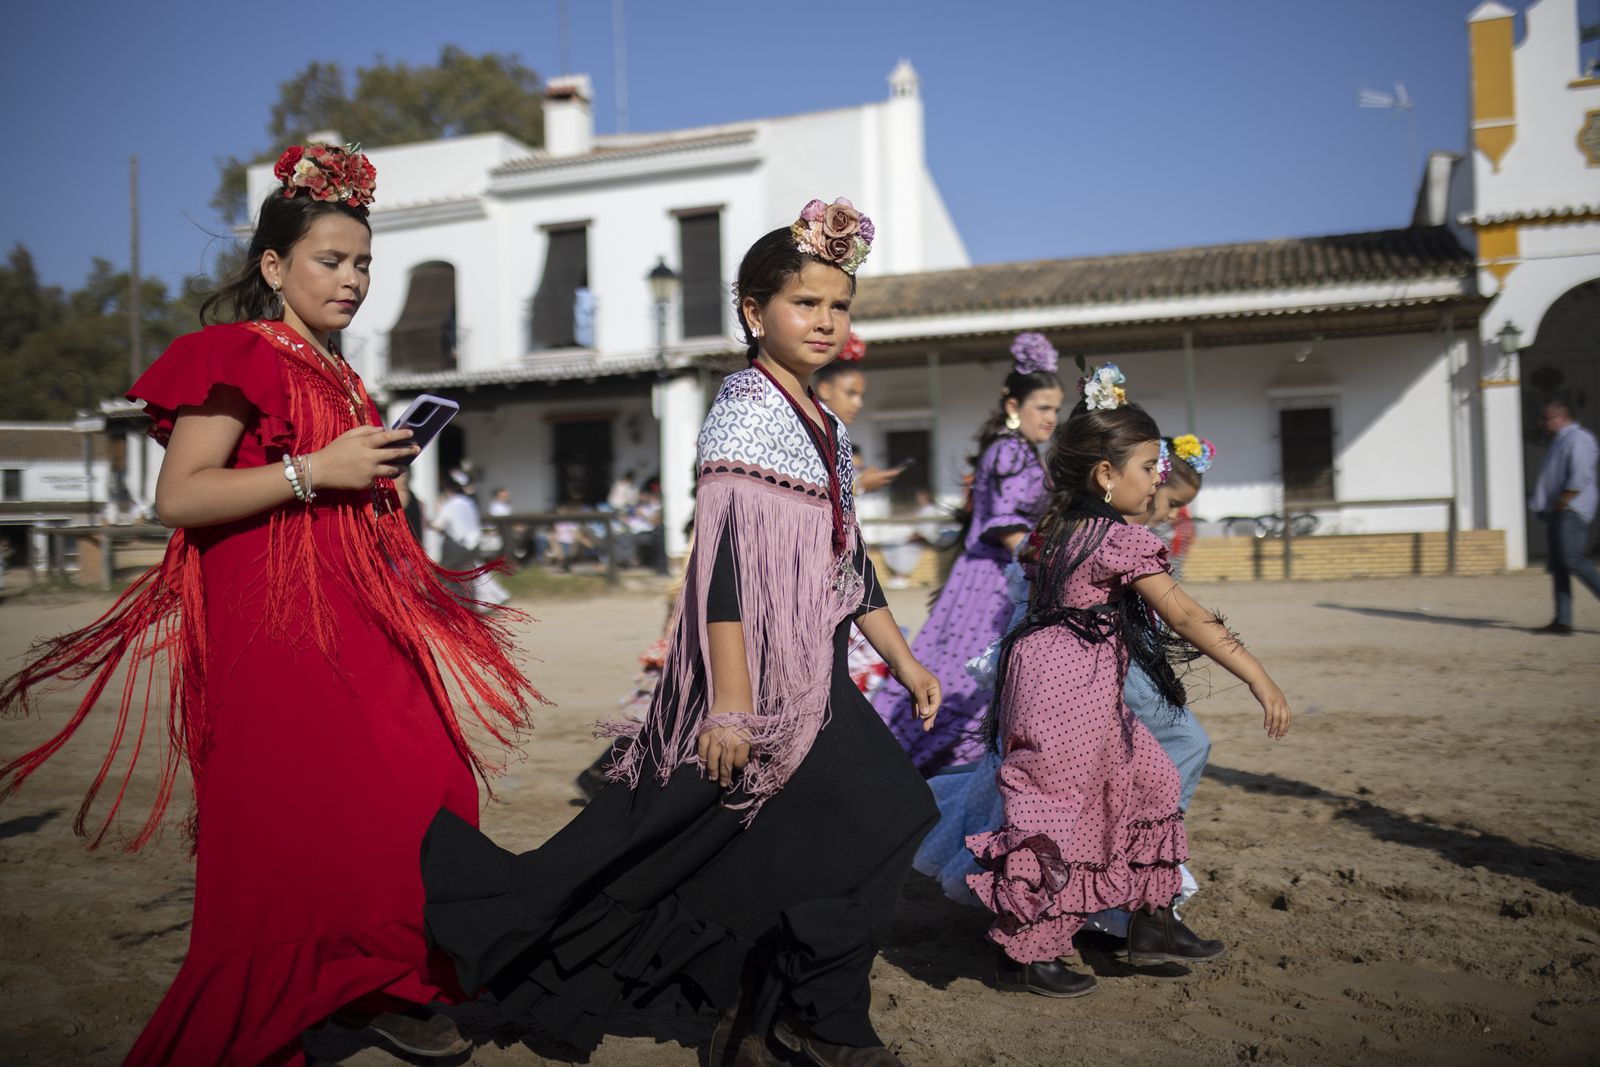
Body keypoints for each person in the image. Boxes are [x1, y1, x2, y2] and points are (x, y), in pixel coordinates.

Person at [0, 143, 541, 1066]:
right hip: (275, 631)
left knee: (428, 785)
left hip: (361, 619)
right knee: (293, 823)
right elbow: (179, 497)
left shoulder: (341, 374)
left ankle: (378, 978)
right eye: (331, 260)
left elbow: (322, 487)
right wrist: (314, 470)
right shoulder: (231, 354)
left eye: (364, 262)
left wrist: (370, 484)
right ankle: (335, 990)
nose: (353, 279)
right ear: (273, 266)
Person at [421, 198, 941, 1067]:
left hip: (812, 673)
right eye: (805, 302)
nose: (824, 321)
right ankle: (815, 1018)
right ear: (753, 311)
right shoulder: (743, 411)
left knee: (798, 843)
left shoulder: (828, 429)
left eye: (839, 305)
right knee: (882, 814)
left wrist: (906, 658)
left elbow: (848, 566)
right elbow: (721, 569)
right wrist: (731, 704)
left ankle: (763, 1015)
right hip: (754, 683)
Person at [967, 378, 1290, 999]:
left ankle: (1152, 921)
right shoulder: (1119, 538)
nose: (1157, 478)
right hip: (1066, 686)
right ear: (1106, 476)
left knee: (1154, 779)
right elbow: (1187, 617)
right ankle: (1026, 957)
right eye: (1148, 467)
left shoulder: (1060, 529)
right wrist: (1258, 675)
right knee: (1056, 818)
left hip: (1062, 676)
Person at [871, 331, 1062, 774]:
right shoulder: (1009, 452)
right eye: (1043, 408)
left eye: (1056, 409)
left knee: (973, 680)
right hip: (993, 583)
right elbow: (1006, 525)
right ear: (1014, 407)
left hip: (991, 577)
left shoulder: (1019, 452)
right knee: (968, 682)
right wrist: (1049, 568)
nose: (1051, 418)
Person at [1529, 398, 1600, 634]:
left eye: (1545, 419)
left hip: (1570, 509)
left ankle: (1563, 618)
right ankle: (1563, 620)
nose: (1543, 424)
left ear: (1560, 417)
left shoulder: (1578, 439)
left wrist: (1563, 500)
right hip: (1558, 510)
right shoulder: (1561, 441)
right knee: (1559, 565)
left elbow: (1580, 473)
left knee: (1573, 560)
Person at [813, 333, 904, 495]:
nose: (858, 403)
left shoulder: (833, 433)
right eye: (850, 394)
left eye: (861, 396)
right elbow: (805, 493)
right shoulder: (810, 432)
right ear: (824, 389)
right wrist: (858, 485)